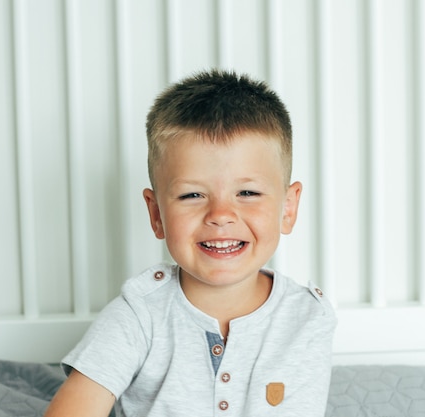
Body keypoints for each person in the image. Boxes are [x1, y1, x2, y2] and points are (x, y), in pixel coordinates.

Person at [44, 69, 337, 417]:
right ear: (156, 215)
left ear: (288, 208)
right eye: (192, 195)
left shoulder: (306, 317)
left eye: (247, 192)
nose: (221, 214)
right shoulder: (139, 315)